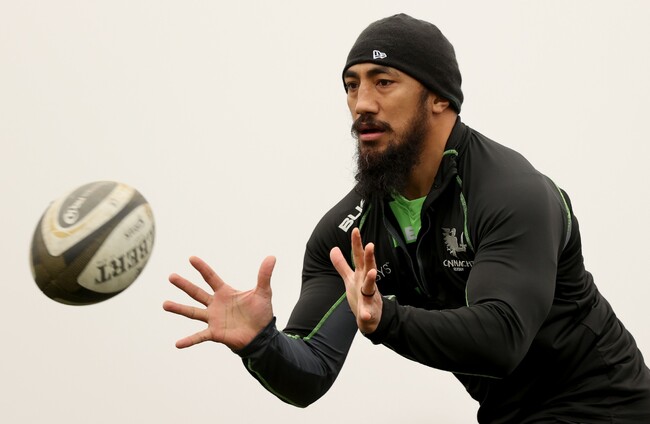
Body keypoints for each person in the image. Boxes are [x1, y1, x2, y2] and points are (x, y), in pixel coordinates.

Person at [163, 13, 650, 423]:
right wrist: (261, 343)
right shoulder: (346, 235)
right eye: (351, 86)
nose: (362, 104)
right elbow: (309, 371)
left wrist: (387, 320)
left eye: (383, 82)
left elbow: (503, 339)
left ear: (439, 98)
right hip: (507, 414)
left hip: (611, 405)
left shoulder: (512, 192)